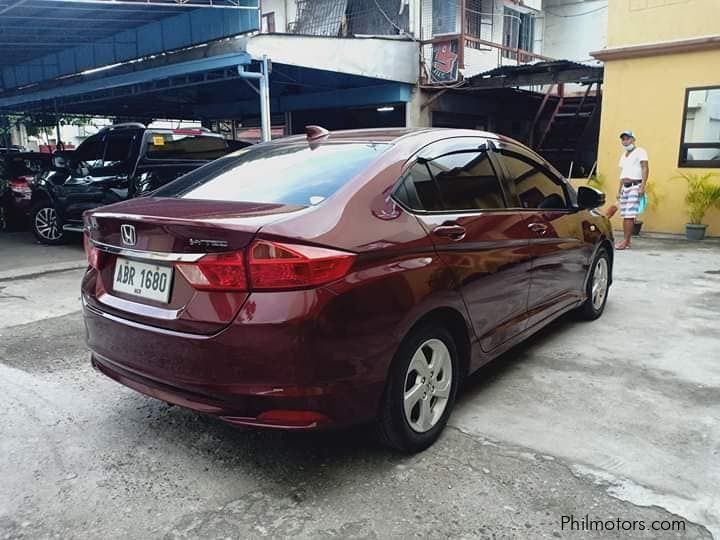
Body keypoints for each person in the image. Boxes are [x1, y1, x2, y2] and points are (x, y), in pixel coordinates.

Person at [615, 130, 649, 250]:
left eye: (628, 138)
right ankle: (626, 241)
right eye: (623, 139)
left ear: (633, 139)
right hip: (625, 187)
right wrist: (619, 190)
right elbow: (622, 173)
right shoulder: (624, 155)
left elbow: (645, 168)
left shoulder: (640, 151)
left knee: (629, 215)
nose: (625, 141)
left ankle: (625, 241)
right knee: (625, 215)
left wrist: (643, 186)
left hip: (635, 186)